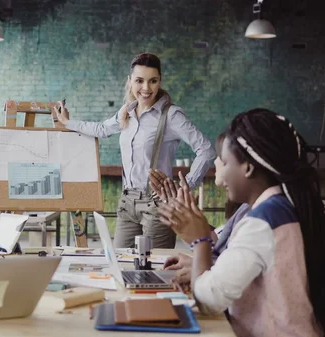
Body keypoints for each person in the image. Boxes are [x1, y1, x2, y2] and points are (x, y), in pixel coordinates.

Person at [158, 109, 324, 336]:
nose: (221, 174)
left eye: (226, 163)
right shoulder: (277, 208)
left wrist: (201, 240)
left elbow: (208, 300)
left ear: (247, 167)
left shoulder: (264, 221)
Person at [55, 52, 215, 248]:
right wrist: (67, 122)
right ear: (130, 81)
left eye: (153, 81)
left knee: (154, 271)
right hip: (127, 202)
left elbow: (206, 150)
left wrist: (185, 186)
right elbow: (101, 129)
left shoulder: (171, 115)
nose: (146, 88)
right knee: (120, 264)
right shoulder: (126, 112)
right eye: (139, 81)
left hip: (158, 206)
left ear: (159, 81)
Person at [153, 132, 251, 284]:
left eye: (223, 160)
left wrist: (200, 242)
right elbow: (226, 257)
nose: (216, 163)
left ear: (248, 167)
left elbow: (212, 293)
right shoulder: (247, 208)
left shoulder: (258, 215)